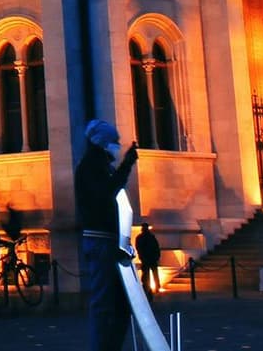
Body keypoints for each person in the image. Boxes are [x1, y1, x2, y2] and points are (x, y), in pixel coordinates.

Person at [75, 118, 139, 351]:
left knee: (121, 304)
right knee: (103, 303)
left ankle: (110, 346)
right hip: (100, 240)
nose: (117, 146)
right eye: (114, 141)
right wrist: (127, 165)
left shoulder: (100, 166)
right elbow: (106, 194)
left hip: (109, 240)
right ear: (103, 143)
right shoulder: (91, 166)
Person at [134, 219, 162, 299]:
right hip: (149, 258)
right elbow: (156, 247)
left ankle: (150, 287)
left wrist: (142, 256)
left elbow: (139, 248)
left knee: (148, 274)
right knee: (150, 274)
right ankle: (152, 287)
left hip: (148, 258)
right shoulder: (150, 237)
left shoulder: (141, 237)